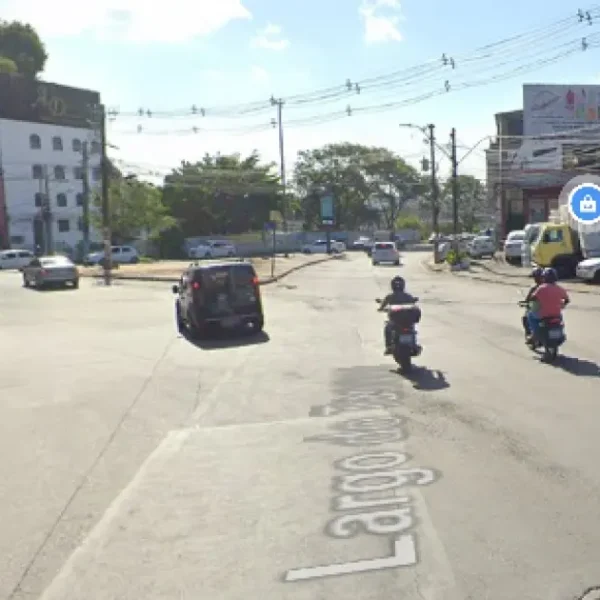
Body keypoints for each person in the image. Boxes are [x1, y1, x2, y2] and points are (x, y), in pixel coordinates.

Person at [527, 267, 570, 342]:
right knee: (560, 321)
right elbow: (567, 300)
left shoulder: (541, 288)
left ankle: (534, 335)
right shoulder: (560, 288)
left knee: (530, 315)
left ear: (545, 278)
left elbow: (532, 298)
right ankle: (561, 333)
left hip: (544, 315)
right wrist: (562, 305)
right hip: (556, 314)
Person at [379, 276, 419, 355]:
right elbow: (413, 304)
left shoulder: (390, 296)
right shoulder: (408, 296)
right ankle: (414, 345)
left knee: (387, 328)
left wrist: (381, 308)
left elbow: (383, 305)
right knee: (412, 328)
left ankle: (389, 346)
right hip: (407, 321)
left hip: (396, 322)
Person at [522, 267, 544, 336]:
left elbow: (528, 300)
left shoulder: (535, 289)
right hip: (550, 310)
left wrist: (526, 303)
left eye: (536, 277)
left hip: (538, 310)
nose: (535, 279)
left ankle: (529, 333)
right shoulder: (551, 286)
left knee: (525, 317)